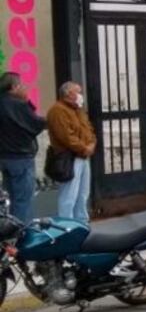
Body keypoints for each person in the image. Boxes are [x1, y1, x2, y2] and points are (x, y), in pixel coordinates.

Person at [0, 72, 46, 223]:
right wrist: (27, 102)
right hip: (21, 156)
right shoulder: (19, 105)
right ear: (14, 87)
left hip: (4, 156)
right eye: (21, 85)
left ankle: (12, 229)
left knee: (12, 197)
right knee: (23, 200)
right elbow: (37, 123)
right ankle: (22, 231)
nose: (24, 88)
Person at [47, 81, 96, 224]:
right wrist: (84, 148)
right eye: (78, 92)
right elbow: (66, 137)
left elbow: (89, 129)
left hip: (83, 156)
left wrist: (92, 143)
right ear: (68, 94)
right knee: (69, 195)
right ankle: (66, 223)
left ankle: (81, 222)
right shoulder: (58, 111)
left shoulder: (78, 110)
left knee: (82, 194)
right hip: (70, 157)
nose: (81, 95)